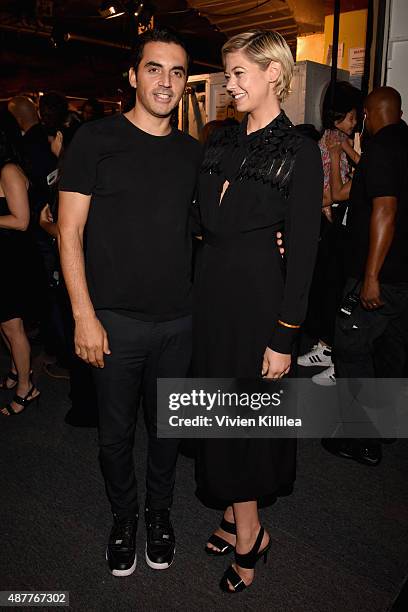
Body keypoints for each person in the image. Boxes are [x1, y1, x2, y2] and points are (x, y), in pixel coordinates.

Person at [57, 28, 201, 576]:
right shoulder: (95, 140)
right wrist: (83, 315)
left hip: (179, 321)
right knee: (115, 435)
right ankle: (124, 518)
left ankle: (158, 515)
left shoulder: (194, 153)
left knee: (169, 431)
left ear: (185, 83)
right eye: (155, 69)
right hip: (112, 321)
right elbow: (68, 233)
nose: (165, 81)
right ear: (134, 75)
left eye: (177, 72)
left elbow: (208, 228)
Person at [194, 30, 322, 593]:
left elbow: (305, 257)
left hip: (258, 306)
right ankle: (231, 511)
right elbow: (198, 219)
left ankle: (252, 536)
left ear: (274, 73)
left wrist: (285, 336)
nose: (231, 82)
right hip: (211, 297)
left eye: (240, 72)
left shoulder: (298, 152)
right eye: (228, 72)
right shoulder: (219, 141)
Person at [323, 86, 408, 465]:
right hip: (403, 279)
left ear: (372, 114)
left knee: (351, 349)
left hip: (379, 275)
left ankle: (361, 440)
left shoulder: (383, 149)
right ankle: (388, 425)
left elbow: (385, 211)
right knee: (391, 350)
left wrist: (370, 275)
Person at [298, 82, 362, 386]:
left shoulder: (330, 139)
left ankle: (327, 348)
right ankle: (330, 350)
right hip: (332, 223)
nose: (356, 123)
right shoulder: (334, 142)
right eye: (352, 117)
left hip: (331, 222)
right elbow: (328, 193)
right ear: (342, 116)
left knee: (328, 289)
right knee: (332, 290)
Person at [0, 124, 41, 415]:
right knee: (3, 323)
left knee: (12, 327)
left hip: (12, 261)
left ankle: (27, 388)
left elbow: (22, 220)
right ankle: (16, 369)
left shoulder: (9, 171)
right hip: (4, 257)